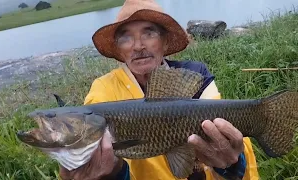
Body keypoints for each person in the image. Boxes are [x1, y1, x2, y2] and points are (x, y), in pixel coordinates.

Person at [59, 0, 259, 179]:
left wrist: (232, 164)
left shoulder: (195, 74)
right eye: (126, 37)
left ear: (164, 40)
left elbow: (224, 127)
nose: (138, 45)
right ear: (119, 49)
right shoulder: (103, 90)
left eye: (148, 33)